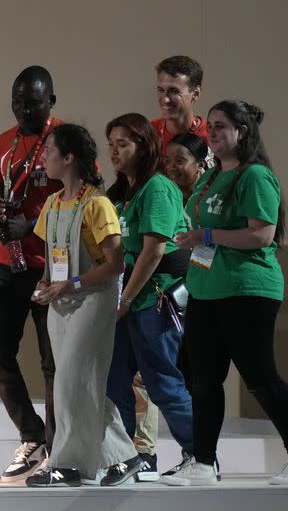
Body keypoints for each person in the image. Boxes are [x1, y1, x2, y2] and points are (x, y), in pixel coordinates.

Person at [163, 100, 288, 486]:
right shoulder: (209, 177)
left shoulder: (255, 177)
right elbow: (202, 230)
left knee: (259, 378)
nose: (213, 133)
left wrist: (207, 236)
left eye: (221, 127)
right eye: (211, 127)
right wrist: (193, 244)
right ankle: (203, 461)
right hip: (206, 290)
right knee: (202, 378)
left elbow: (262, 235)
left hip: (247, 289)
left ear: (243, 132)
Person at [24, 123, 143, 487]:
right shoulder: (52, 203)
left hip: (93, 299)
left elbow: (116, 265)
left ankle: (64, 462)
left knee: (70, 383)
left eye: (49, 152)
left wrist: (70, 284)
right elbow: (52, 257)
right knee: (77, 383)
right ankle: (124, 456)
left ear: (69, 157)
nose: (43, 158)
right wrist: (45, 286)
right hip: (61, 302)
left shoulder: (98, 205)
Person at [104, 113, 195, 479]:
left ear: (144, 147)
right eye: (110, 145)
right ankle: (125, 455)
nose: (114, 151)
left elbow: (154, 250)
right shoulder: (126, 192)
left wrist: (124, 300)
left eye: (122, 144)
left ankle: (200, 455)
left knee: (163, 383)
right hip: (131, 303)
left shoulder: (157, 187)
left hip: (152, 302)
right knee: (115, 380)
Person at [131, 55, 208, 480]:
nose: (165, 98)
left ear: (195, 93)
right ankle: (145, 453)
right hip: (162, 266)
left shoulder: (211, 137)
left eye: (174, 90)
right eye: (160, 89)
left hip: (204, 262)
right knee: (147, 370)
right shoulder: (151, 136)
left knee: (193, 369)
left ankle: (202, 454)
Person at [0, 65, 61, 482]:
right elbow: (2, 194)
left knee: (53, 363)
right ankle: (31, 436)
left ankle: (57, 444)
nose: (22, 110)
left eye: (31, 103)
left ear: (51, 101)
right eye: (16, 103)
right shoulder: (3, 142)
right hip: (6, 261)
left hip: (52, 266)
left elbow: (82, 199)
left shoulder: (64, 139)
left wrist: (32, 227)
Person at [167, 133, 208, 204]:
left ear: (200, 165)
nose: (170, 167)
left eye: (179, 161)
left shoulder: (211, 196)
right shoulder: (164, 191)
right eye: (167, 161)